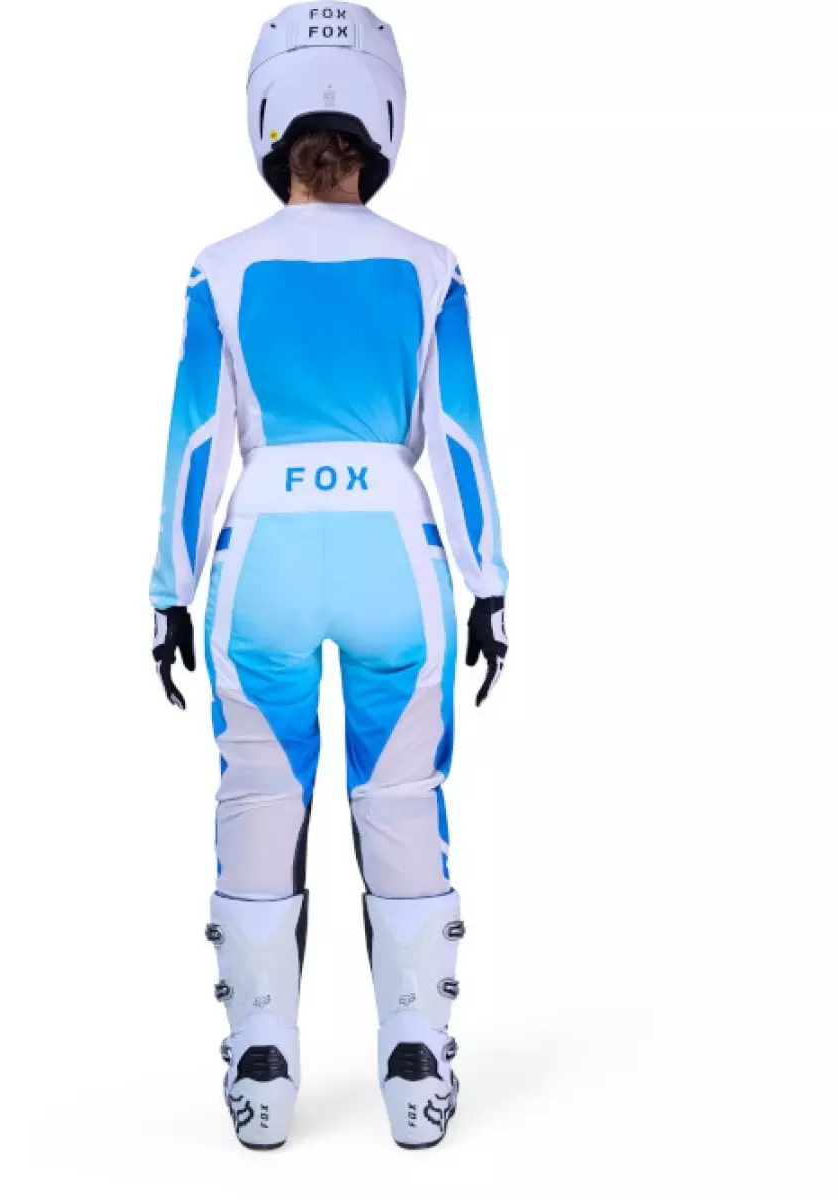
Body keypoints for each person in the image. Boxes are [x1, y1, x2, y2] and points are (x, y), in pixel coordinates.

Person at [149, 4, 508, 1150]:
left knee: (259, 798)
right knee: (401, 801)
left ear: (269, 119)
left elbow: (197, 443)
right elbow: (458, 437)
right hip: (395, 556)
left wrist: (167, 590)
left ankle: (260, 1064)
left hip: (258, 558)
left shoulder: (221, 269)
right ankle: (417, 1060)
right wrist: (490, 582)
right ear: (382, 122)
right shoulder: (432, 268)